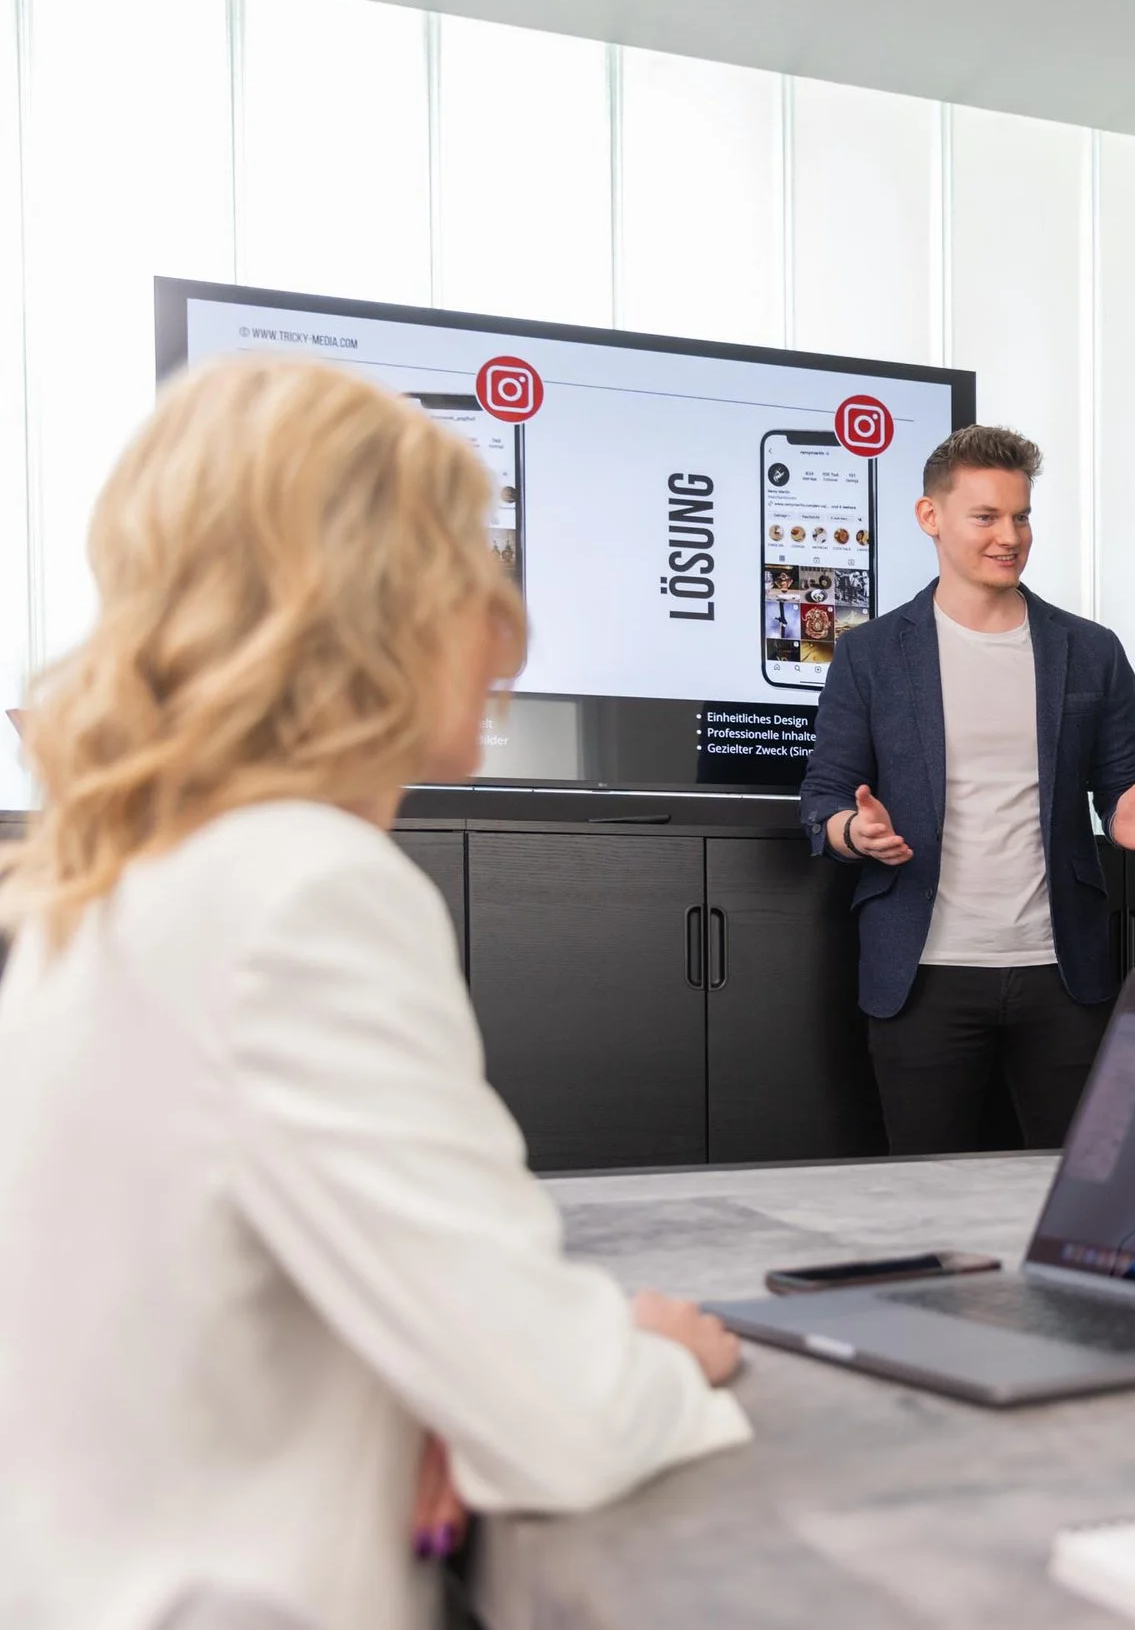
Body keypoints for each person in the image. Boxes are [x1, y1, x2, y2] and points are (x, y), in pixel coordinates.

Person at [0, 358, 750, 1630]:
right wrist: (659, 1360)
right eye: (471, 556)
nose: (501, 608)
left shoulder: (112, 884)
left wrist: (429, 1388)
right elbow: (566, 1420)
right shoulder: (300, 891)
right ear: (378, 600)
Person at [799, 424, 1135, 1153]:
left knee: (1076, 1188)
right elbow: (825, 794)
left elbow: (1121, 784)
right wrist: (854, 831)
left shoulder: (1090, 650)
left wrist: (1130, 816)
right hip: (923, 972)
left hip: (1060, 972)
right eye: (987, 517)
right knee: (931, 1199)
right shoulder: (870, 654)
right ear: (930, 517)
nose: (1010, 536)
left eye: (1022, 516)